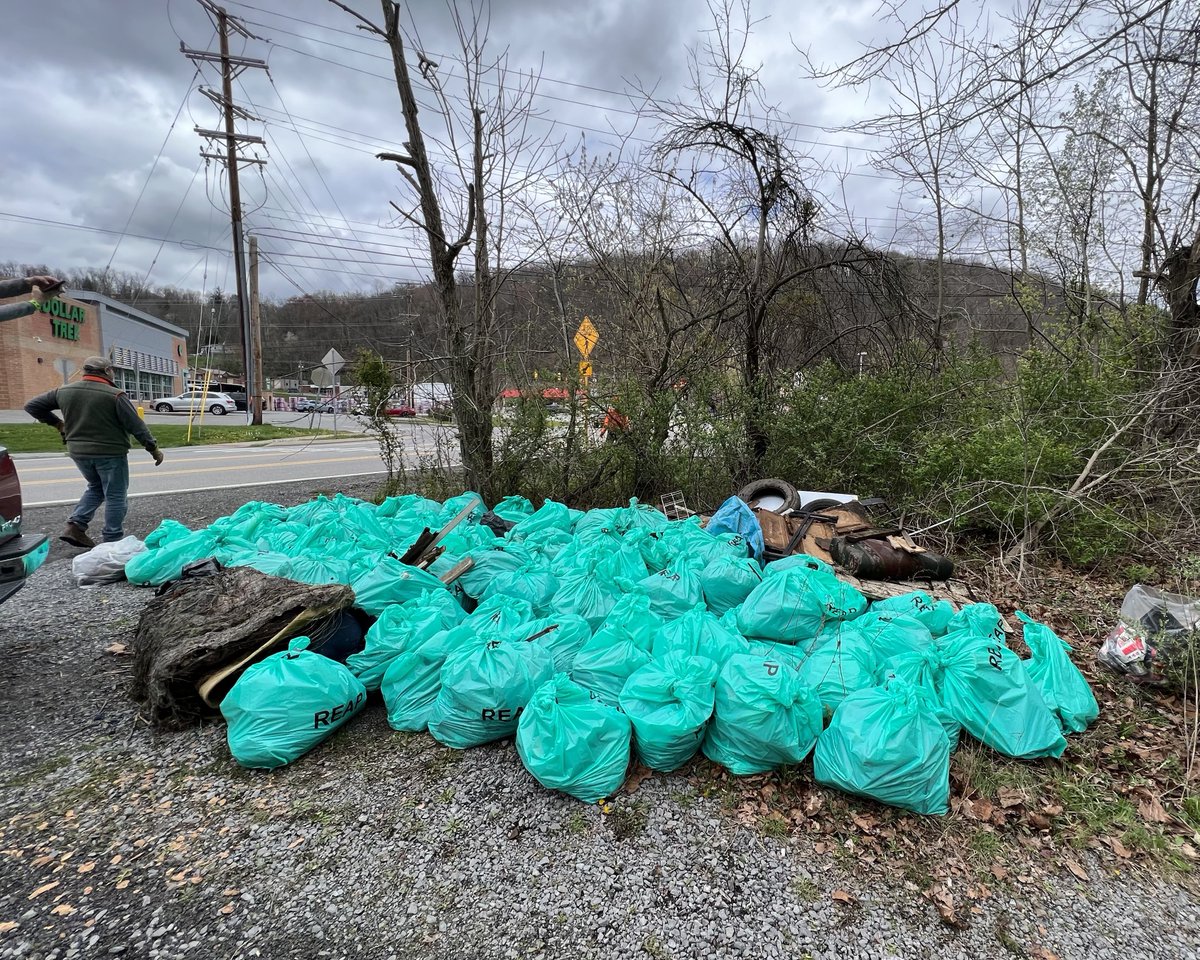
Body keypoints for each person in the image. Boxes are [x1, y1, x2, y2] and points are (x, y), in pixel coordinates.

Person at [24, 356, 165, 548]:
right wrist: (153, 449)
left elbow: (32, 406)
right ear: (106, 371)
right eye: (112, 370)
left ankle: (75, 525)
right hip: (109, 452)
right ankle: (113, 540)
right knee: (115, 495)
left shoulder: (64, 391)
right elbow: (136, 426)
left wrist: (58, 424)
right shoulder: (115, 395)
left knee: (96, 487)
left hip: (78, 451)